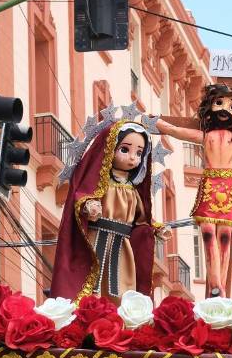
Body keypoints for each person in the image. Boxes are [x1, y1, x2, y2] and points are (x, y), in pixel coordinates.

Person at [155, 84, 232, 296]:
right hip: (211, 183)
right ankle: (215, 281)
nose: (225, 109)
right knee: (207, 233)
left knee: (224, 235)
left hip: (228, 188)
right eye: (219, 103)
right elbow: (176, 131)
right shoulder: (207, 136)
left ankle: (219, 284)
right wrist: (154, 122)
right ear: (210, 105)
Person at [51, 120, 169, 303]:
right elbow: (83, 197)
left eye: (139, 153)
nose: (132, 158)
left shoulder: (132, 188)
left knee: (120, 289)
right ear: (108, 149)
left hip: (122, 247)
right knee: (93, 286)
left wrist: (157, 228)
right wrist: (89, 206)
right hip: (95, 240)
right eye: (125, 150)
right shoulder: (100, 183)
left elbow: (141, 219)